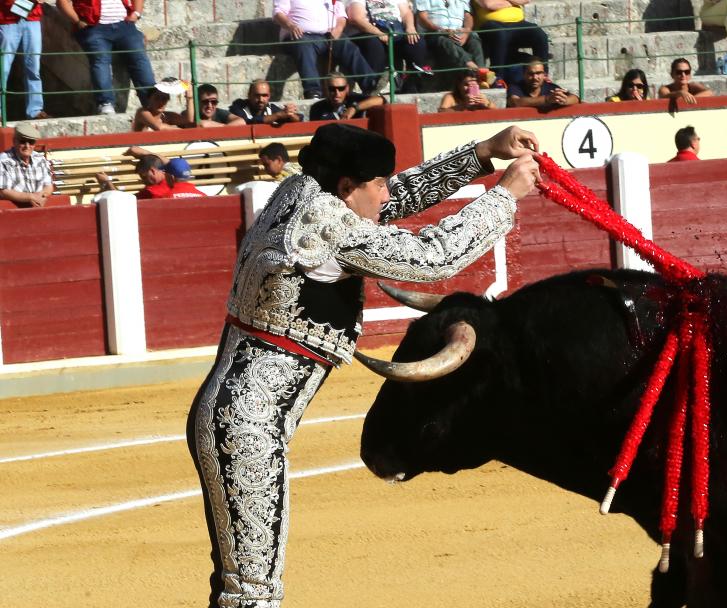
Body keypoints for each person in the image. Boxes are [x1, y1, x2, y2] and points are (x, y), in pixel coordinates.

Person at [186, 121, 541, 608]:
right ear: (348, 187)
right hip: (245, 427)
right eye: (379, 182)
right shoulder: (326, 225)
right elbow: (432, 258)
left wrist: (483, 153)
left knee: (243, 586)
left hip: (241, 416)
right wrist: (504, 197)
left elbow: (392, 201)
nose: (388, 192)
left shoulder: (305, 190)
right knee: (251, 593)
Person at [55, 0, 156, 115]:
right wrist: (77, 21)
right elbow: (62, 2)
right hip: (94, 27)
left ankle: (152, 102)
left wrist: (137, 13)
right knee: (100, 60)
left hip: (124, 25)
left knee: (140, 59)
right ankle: (105, 103)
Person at [273, 0, 377, 99]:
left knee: (346, 44)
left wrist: (338, 29)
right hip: (300, 35)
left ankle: (369, 83)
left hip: (328, 35)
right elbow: (278, 13)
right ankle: (313, 91)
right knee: (304, 46)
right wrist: (291, 26)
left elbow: (341, 16)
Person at [344, 0, 431, 94]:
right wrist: (377, 32)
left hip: (396, 31)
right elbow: (356, 18)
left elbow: (406, 13)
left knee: (416, 40)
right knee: (373, 44)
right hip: (369, 33)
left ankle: (413, 80)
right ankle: (374, 84)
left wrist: (410, 27)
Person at [472, 0, 549, 85]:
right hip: (490, 25)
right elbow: (489, 5)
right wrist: (512, 3)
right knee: (500, 34)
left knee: (539, 35)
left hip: (517, 23)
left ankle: (543, 74)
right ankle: (497, 78)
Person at [0, 0, 48, 120]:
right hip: (7, 18)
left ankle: (35, 110)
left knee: (33, 67)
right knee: (2, 68)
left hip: (32, 19)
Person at [415, 0, 485, 73]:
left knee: (473, 35)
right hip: (434, 32)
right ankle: (470, 65)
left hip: (458, 32)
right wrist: (441, 30)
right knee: (443, 40)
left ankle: (482, 71)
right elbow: (422, 17)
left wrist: (467, 30)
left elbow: (468, 16)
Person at [0, 123, 52, 207]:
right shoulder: (3, 161)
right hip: (13, 213)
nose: (27, 146)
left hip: (39, 210)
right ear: (14, 141)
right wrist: (30, 197)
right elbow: (3, 191)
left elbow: (48, 186)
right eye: (22, 141)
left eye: (31, 142)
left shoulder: (40, 159)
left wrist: (41, 196)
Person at [309, 72, 385, 120]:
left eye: (341, 89)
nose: (337, 93)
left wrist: (354, 108)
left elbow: (380, 100)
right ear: (325, 89)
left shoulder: (354, 99)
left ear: (347, 88)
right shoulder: (317, 108)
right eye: (332, 89)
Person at [507, 58, 578, 109]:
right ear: (524, 74)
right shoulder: (515, 87)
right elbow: (515, 102)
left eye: (538, 73)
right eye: (530, 74)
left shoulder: (550, 87)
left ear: (544, 75)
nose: (535, 77)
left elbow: (575, 98)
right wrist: (547, 99)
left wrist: (563, 100)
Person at [229, 79, 302, 126]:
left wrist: (290, 114)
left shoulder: (270, 108)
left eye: (264, 95)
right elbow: (248, 121)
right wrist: (277, 116)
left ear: (269, 96)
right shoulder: (239, 107)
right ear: (249, 95)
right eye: (257, 95)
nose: (261, 99)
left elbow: (299, 118)